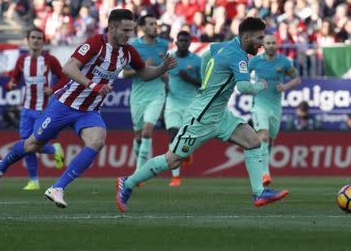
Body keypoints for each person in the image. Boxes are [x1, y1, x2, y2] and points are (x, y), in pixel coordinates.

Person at [0, 9, 177, 209]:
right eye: (125, 30)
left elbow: (144, 73)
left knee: (97, 141)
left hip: (89, 111)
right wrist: (94, 86)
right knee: (32, 145)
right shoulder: (95, 43)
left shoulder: (128, 52)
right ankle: (1, 167)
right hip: (65, 105)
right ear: (112, 28)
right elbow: (69, 68)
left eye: (131, 30)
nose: (129, 35)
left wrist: (163, 68)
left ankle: (57, 188)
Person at [116, 17, 289, 213]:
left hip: (220, 114)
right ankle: (127, 183)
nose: (260, 44)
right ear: (246, 37)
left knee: (253, 141)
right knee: (173, 159)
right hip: (201, 117)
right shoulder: (238, 55)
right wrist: (260, 85)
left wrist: (206, 81)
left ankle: (259, 192)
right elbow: (243, 87)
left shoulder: (226, 45)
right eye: (259, 39)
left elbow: (208, 54)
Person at [5, 27, 67, 190]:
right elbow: (13, 80)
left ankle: (54, 149)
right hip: (26, 108)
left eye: (39, 38)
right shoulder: (21, 61)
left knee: (34, 143)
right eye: (33, 37)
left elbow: (64, 79)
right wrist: (10, 85)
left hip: (43, 109)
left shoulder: (50, 60)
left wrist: (53, 89)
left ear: (43, 42)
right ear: (27, 40)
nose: (36, 40)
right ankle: (34, 180)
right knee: (26, 144)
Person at [248, 34, 301, 187]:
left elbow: (297, 78)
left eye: (273, 43)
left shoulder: (283, 62)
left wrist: (284, 87)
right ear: (263, 45)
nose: (271, 45)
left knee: (270, 140)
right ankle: (265, 173)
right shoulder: (255, 61)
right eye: (268, 43)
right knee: (263, 136)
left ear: (277, 45)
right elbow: (243, 75)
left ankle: (263, 167)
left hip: (275, 106)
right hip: (259, 104)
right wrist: (252, 85)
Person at [122, 13, 170, 178]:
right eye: (150, 24)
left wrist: (163, 68)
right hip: (138, 95)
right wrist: (142, 67)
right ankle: (140, 164)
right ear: (141, 28)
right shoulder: (133, 46)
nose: (154, 27)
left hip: (157, 93)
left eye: (155, 24)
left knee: (148, 131)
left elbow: (167, 72)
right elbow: (124, 74)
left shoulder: (164, 45)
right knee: (139, 135)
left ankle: (139, 173)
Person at [164, 31, 201, 187]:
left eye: (186, 40)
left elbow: (203, 83)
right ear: (176, 42)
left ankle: (187, 154)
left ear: (190, 43)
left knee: (186, 139)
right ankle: (176, 177)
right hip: (172, 103)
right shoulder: (169, 58)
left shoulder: (198, 61)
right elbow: (163, 76)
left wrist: (189, 78)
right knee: (173, 136)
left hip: (190, 105)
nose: (184, 43)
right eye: (181, 40)